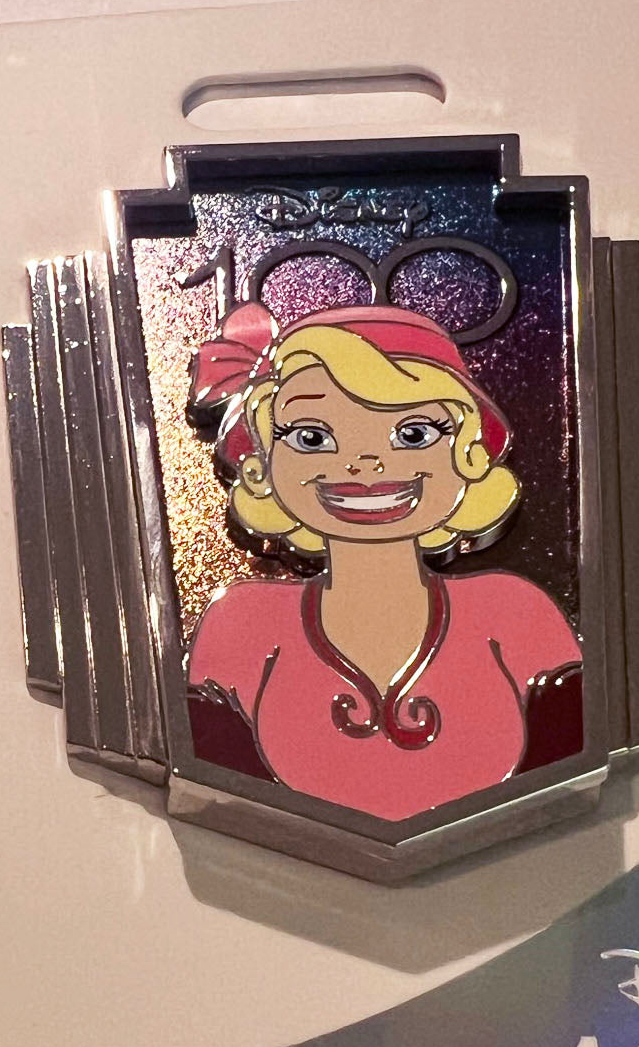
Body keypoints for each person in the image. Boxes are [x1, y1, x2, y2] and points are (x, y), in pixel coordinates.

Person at [185, 301, 582, 821]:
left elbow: (570, 762)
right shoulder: (243, 624)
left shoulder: (515, 613)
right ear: (263, 468)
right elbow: (217, 783)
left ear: (468, 456)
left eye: (413, 434)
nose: (365, 464)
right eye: (312, 437)